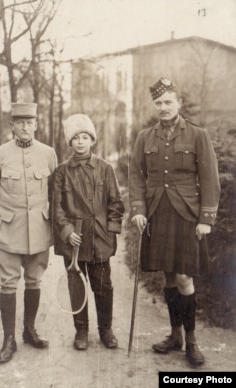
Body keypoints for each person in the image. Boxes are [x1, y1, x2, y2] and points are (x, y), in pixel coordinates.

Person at [129, 77, 220, 366]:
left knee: (184, 277)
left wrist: (206, 218)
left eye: (169, 102)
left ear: (179, 103)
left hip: (186, 214)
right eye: (159, 103)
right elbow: (135, 175)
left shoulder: (197, 134)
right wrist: (139, 209)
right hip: (157, 213)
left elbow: (209, 178)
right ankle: (175, 335)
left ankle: (191, 341)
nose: (163, 107)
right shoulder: (145, 137)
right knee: (167, 276)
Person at [0, 103, 57, 364]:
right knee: (7, 282)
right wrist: (5, 213)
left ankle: (29, 330)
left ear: (36, 124)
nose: (25, 127)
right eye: (20, 123)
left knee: (34, 280)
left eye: (30, 122)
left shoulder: (48, 154)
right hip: (7, 230)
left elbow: (53, 192)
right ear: (12, 125)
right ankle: (8, 339)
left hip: (38, 228)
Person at [52, 113, 124, 350]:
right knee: (76, 286)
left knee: (103, 286)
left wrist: (111, 232)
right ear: (69, 142)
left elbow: (115, 203)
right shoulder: (62, 172)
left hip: (100, 240)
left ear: (92, 140)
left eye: (85, 137)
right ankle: (81, 331)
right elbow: (57, 207)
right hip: (74, 241)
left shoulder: (105, 169)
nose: (80, 142)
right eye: (75, 138)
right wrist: (66, 231)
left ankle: (106, 330)